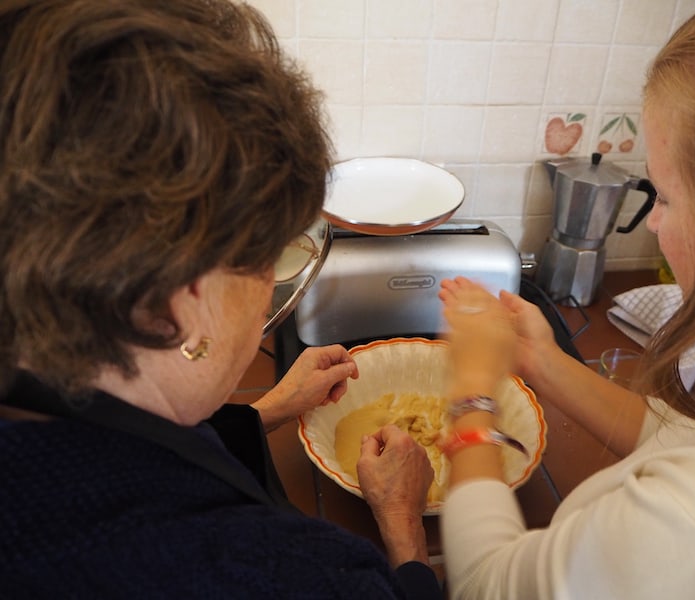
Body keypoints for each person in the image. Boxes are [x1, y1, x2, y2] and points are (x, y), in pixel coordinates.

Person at [0, 1, 440, 597]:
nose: (268, 295)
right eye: (267, 259)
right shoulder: (287, 574)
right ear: (179, 306)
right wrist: (404, 530)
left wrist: (270, 410)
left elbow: (123, 459)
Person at [431, 0, 695, 597]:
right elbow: (685, 436)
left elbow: (482, 584)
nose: (652, 223)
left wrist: (472, 396)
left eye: (668, 199)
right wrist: (541, 361)